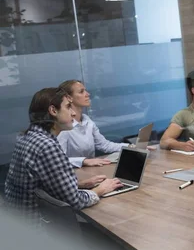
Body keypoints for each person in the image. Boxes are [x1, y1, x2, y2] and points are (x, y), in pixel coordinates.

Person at [4, 88, 122, 225]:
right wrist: (99, 190)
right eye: (68, 107)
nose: (73, 113)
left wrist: (77, 185)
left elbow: (40, 183)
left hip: (17, 222)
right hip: (40, 230)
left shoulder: (27, 138)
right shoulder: (47, 146)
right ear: (53, 111)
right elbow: (75, 201)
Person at [57, 80, 129, 168]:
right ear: (69, 98)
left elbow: (104, 145)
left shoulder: (87, 119)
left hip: (91, 170)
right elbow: (58, 160)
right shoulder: (64, 127)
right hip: (75, 174)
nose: (87, 94)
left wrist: (132, 146)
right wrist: (84, 161)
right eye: (81, 92)